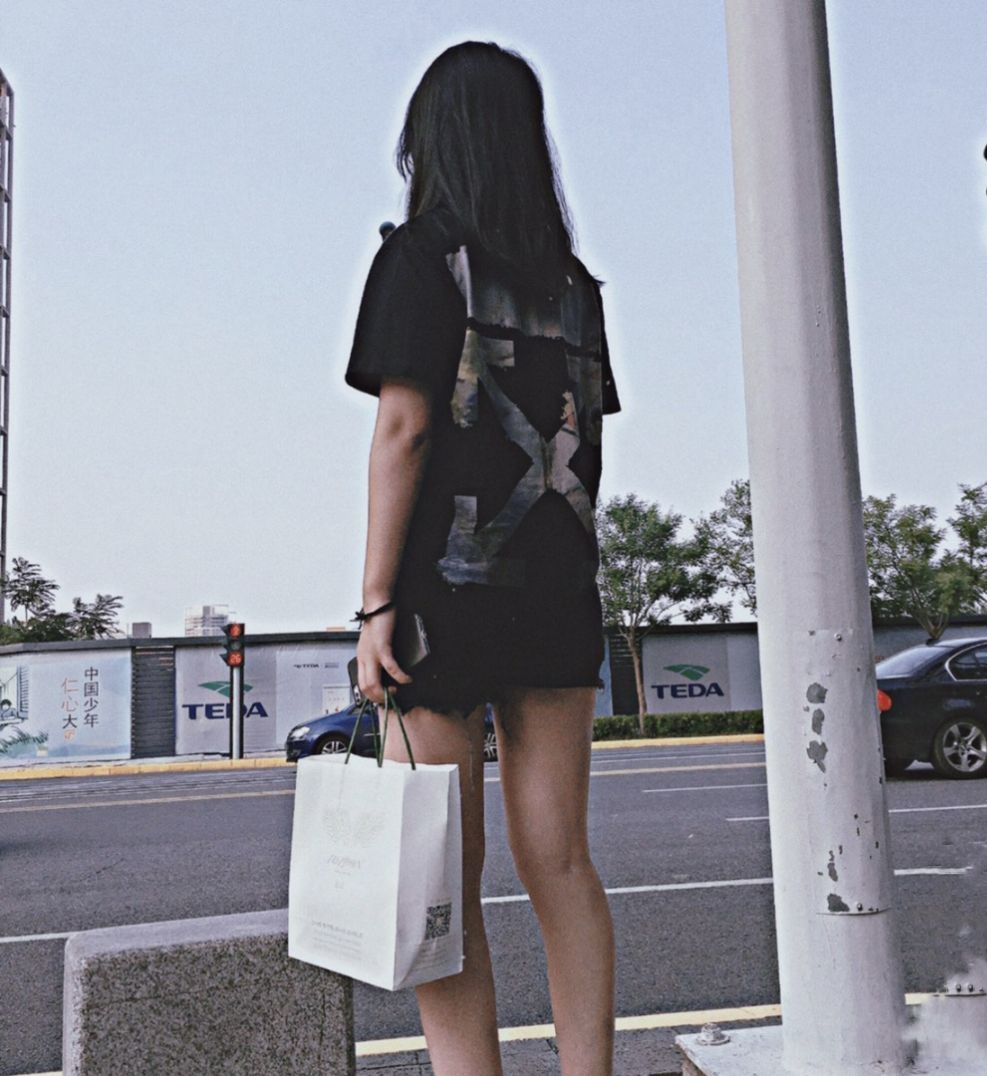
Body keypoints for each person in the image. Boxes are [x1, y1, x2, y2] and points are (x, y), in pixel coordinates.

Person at [346, 41, 620, 1076]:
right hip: (556, 596)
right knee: (562, 862)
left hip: (442, 607)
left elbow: (404, 430)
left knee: (441, 886)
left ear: (433, 141)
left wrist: (375, 603)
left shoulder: (420, 258)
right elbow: (583, 439)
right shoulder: (576, 289)